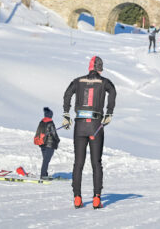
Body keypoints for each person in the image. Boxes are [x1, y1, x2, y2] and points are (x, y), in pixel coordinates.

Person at [62, 56, 116, 209]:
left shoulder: (78, 81)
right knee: (96, 163)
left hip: (80, 125)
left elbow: (67, 94)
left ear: (90, 67)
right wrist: (109, 113)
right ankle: (97, 198)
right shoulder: (105, 82)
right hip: (96, 125)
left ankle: (77, 197)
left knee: (78, 163)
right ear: (100, 68)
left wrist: (66, 114)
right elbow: (113, 92)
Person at [34, 107, 60, 180]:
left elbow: (38, 133)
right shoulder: (50, 123)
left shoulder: (41, 122)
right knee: (46, 161)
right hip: (49, 144)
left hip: (42, 144)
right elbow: (54, 135)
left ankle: (45, 174)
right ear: (50, 115)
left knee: (45, 160)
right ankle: (43, 175)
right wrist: (58, 140)